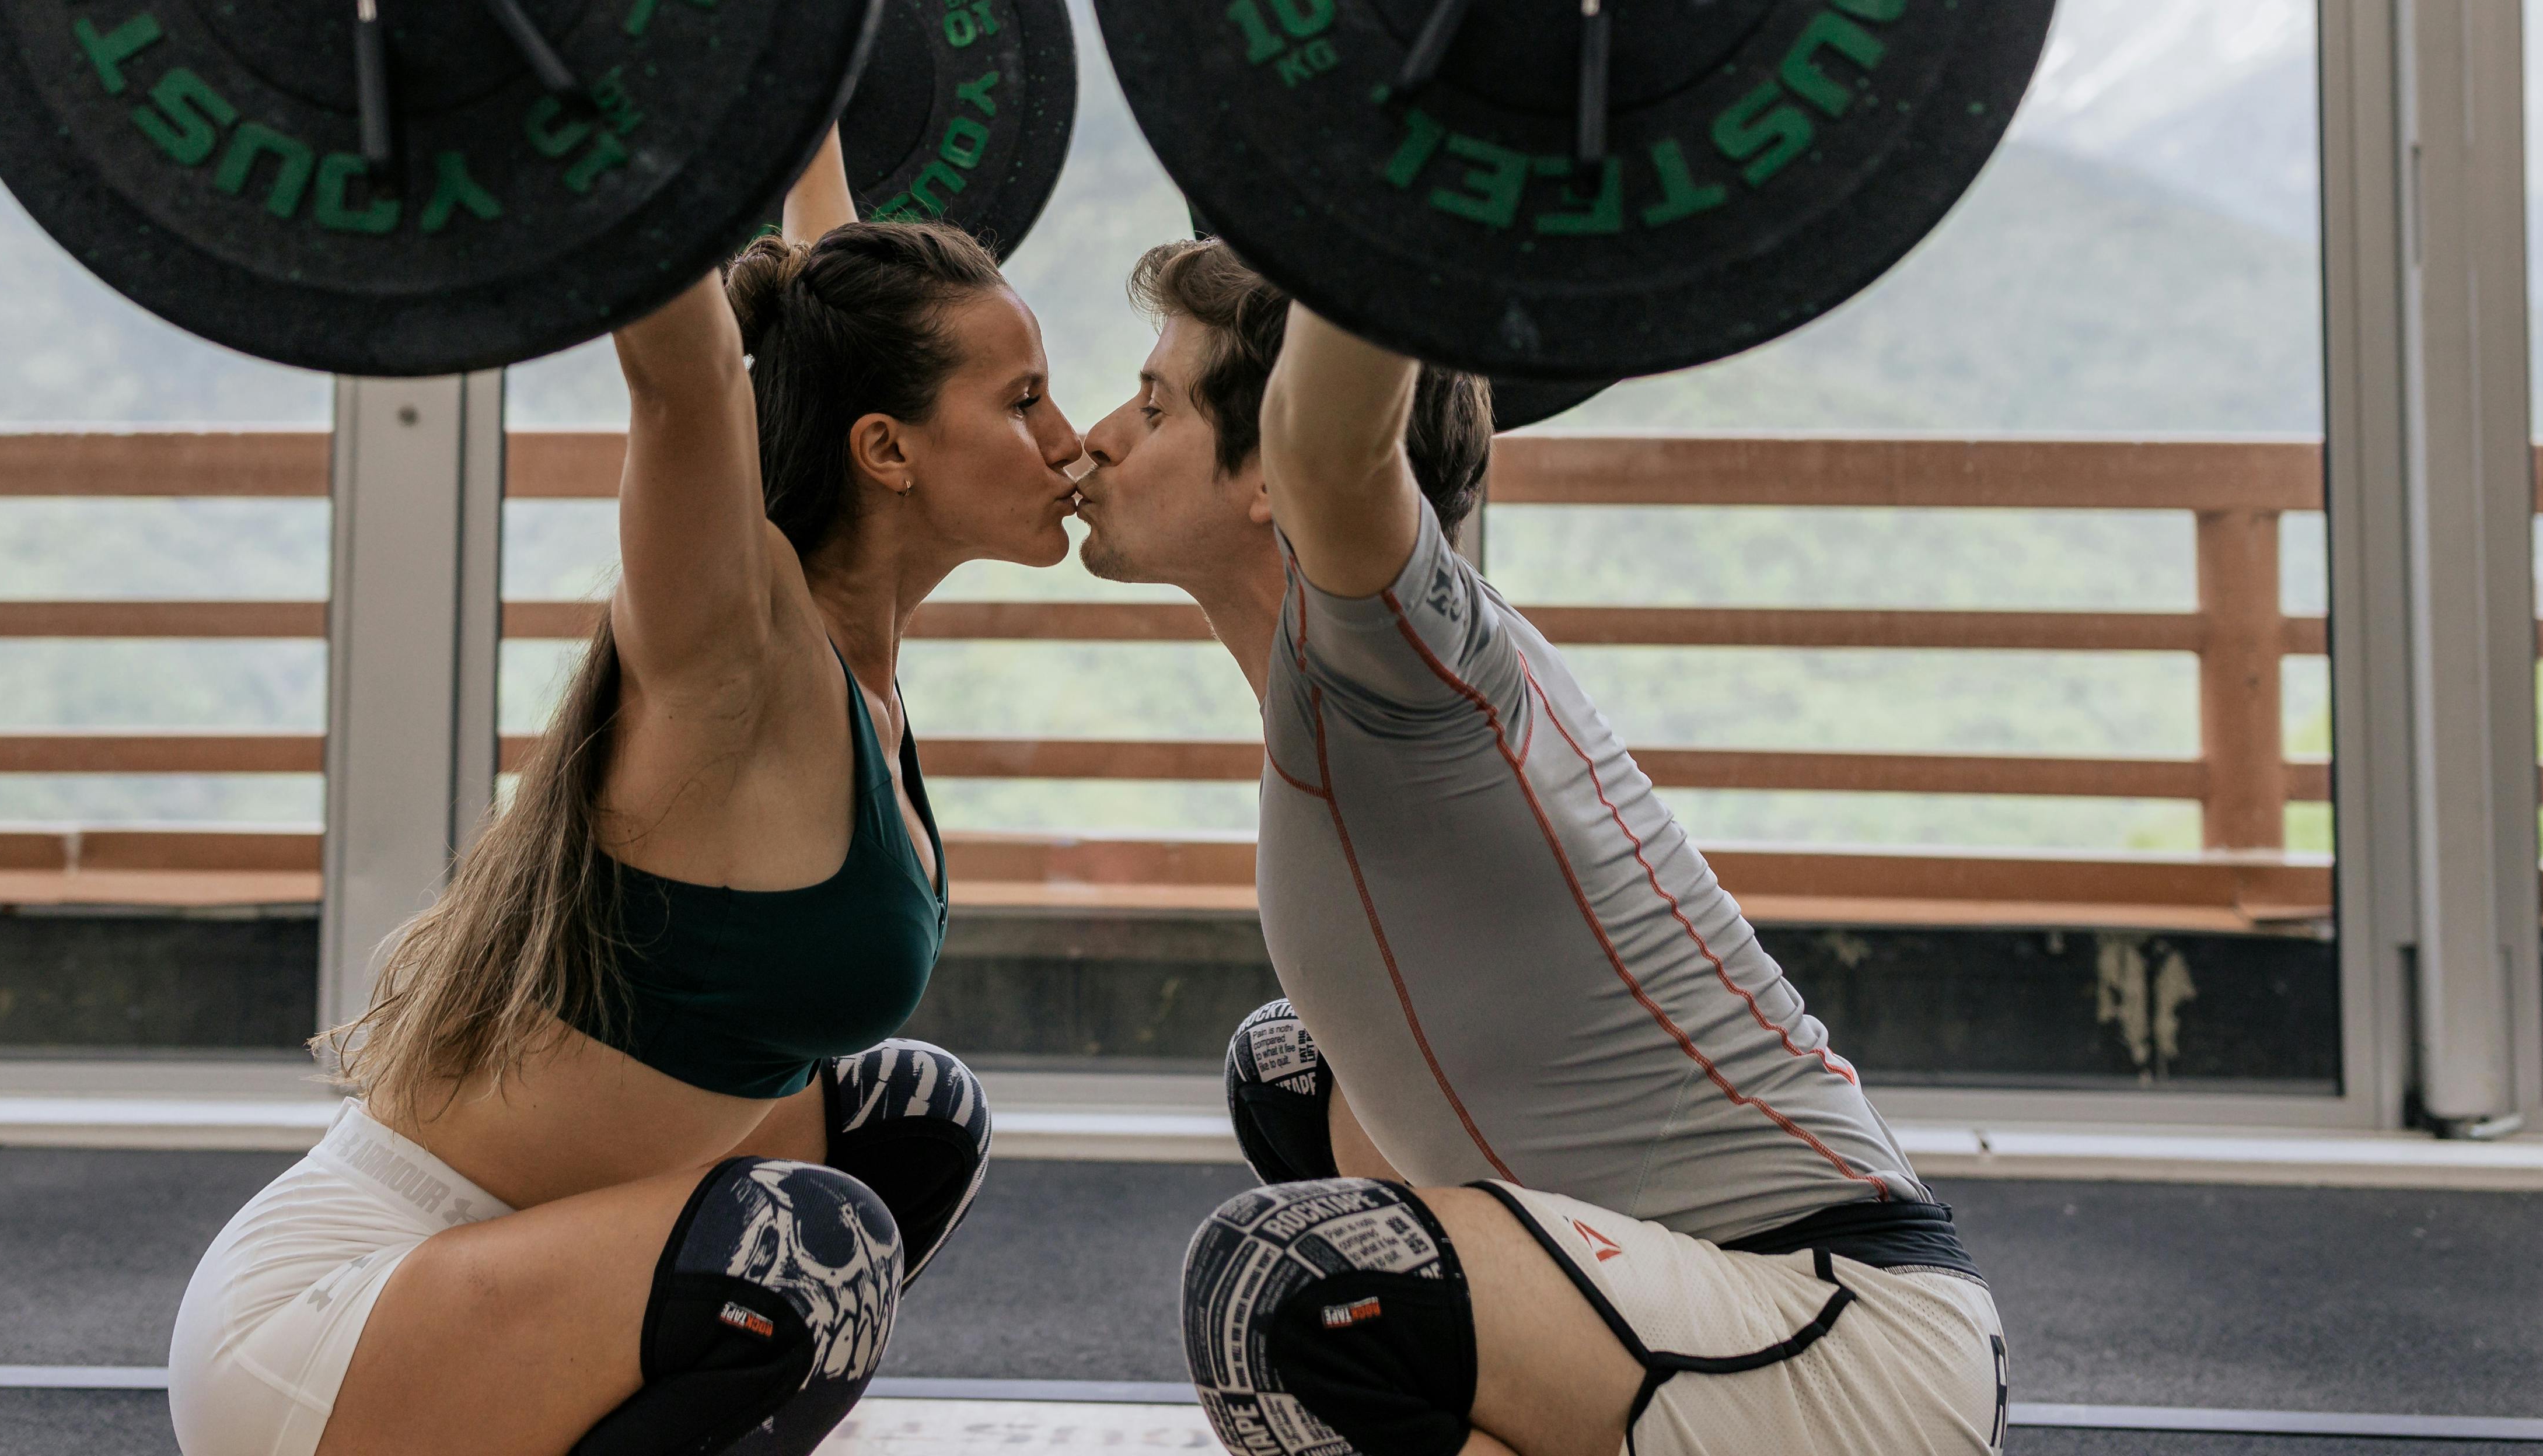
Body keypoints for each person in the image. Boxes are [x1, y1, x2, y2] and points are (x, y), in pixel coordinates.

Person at [169, 139, 1084, 1456]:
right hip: (334, 1329)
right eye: (1027, 399)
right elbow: (689, 374)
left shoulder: (860, 667)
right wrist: (642, 97)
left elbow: (823, 288)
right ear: (885, 447)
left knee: (917, 1117)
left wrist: (802, 108)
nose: (1068, 437)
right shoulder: (737, 661)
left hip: (540, 1284)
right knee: (809, 1253)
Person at [1073, 240, 2009, 1456]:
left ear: (1277, 476)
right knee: (1296, 1069)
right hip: (1715, 1312)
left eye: (1153, 406)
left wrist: (1396, 167)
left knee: (1287, 1276)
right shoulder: (1356, 668)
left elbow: (1332, 435)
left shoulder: (1409, 663)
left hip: (1838, 1335)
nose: (1097, 435)